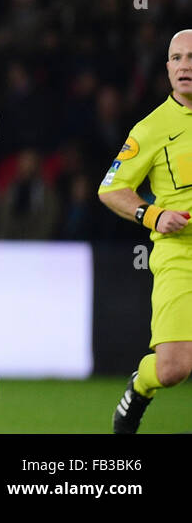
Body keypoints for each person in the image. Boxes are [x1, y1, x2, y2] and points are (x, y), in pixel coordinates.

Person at [99, 29, 192, 433]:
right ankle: (140, 386)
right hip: (180, 256)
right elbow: (111, 188)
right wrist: (152, 215)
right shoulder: (152, 128)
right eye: (177, 58)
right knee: (173, 369)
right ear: (167, 67)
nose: (185, 66)